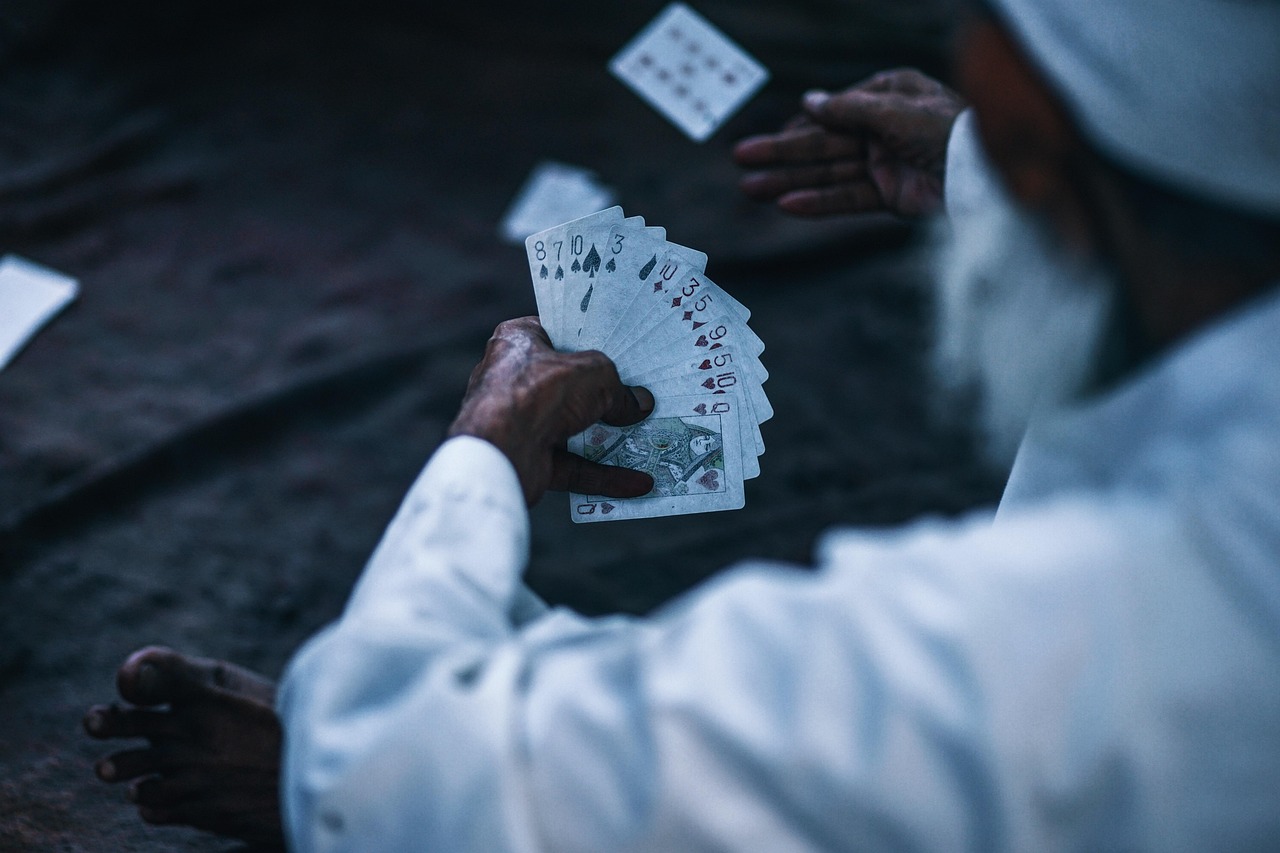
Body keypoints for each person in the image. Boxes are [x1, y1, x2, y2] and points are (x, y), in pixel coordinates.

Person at [85, 0, 1280, 848]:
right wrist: (986, 164)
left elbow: (383, 751)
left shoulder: (1069, 639)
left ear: (1035, 142)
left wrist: (484, 452)